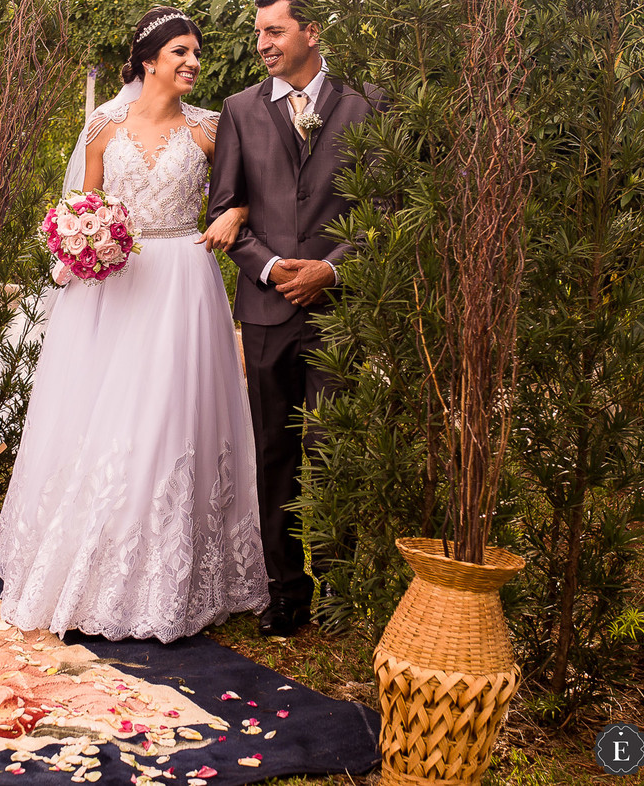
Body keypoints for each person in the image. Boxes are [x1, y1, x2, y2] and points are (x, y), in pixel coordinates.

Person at [0, 6, 270, 644]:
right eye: (181, 53)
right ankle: (89, 557)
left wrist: (234, 215)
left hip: (182, 284)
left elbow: (251, 190)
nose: (193, 63)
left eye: (196, 53)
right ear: (149, 62)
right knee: (105, 420)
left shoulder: (210, 129)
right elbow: (81, 205)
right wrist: (81, 240)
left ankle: (167, 576)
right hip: (112, 288)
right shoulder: (103, 126)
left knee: (168, 417)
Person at [207, 0, 382, 636]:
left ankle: (337, 587)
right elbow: (226, 209)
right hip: (265, 309)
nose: (263, 44)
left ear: (312, 32)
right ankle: (286, 592)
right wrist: (274, 266)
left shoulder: (368, 107)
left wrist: (330, 269)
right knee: (273, 450)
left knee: (333, 446)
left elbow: (381, 210)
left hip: (338, 310)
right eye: (258, 33)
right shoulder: (240, 111)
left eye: (274, 31)